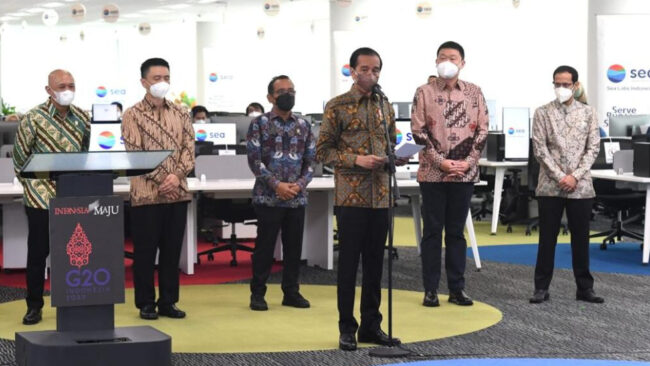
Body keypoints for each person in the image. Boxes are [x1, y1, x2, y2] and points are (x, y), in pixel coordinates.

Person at [317, 47, 406, 351]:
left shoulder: (385, 104)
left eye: (377, 69)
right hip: (351, 197)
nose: (372, 74)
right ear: (352, 71)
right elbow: (323, 152)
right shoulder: (337, 106)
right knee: (349, 265)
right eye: (365, 69)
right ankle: (346, 327)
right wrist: (357, 159)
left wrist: (396, 158)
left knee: (375, 265)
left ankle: (371, 325)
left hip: (381, 197)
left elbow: (391, 143)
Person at [411, 41, 488, 308]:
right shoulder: (424, 92)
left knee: (456, 233)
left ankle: (457, 288)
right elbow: (418, 133)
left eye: (452, 57)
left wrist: (468, 162)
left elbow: (482, 131)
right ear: (435, 61)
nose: (447, 61)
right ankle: (430, 289)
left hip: (464, 174)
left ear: (462, 63)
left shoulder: (475, 93)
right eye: (442, 57)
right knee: (432, 232)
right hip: (433, 173)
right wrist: (441, 162)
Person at [13, 69, 90, 325]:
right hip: (40, 199)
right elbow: (20, 160)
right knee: (38, 254)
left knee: (73, 254)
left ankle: (72, 302)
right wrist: (37, 187)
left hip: (72, 198)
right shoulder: (33, 118)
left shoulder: (82, 117)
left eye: (71, 84)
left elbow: (85, 155)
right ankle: (34, 306)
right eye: (61, 85)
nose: (67, 89)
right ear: (49, 90)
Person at [121, 57, 195, 319]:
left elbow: (189, 149)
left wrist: (176, 176)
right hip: (146, 195)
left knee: (172, 251)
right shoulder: (132, 115)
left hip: (177, 193)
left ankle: (168, 302)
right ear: (144, 82)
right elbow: (135, 153)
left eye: (166, 78)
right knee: (145, 253)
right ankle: (145, 303)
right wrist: (165, 179)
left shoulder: (181, 113)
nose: (162, 83)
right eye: (156, 78)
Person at [529, 65, 603, 304]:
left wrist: (575, 176)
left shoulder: (589, 113)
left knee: (580, 239)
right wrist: (560, 176)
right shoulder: (542, 113)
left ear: (575, 85)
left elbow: (593, 149)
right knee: (547, 238)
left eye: (565, 84)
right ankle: (541, 287)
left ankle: (584, 288)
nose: (561, 88)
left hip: (580, 187)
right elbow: (540, 149)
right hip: (550, 185)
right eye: (557, 84)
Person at [246, 75, 315, 311]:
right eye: (282, 91)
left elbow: (311, 162)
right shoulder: (259, 124)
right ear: (270, 97)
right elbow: (255, 162)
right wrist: (277, 185)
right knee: (264, 248)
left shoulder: (304, 125)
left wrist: (299, 185)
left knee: (294, 248)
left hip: (297, 197)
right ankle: (258, 293)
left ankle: (291, 292)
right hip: (268, 197)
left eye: (291, 90)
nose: (288, 94)